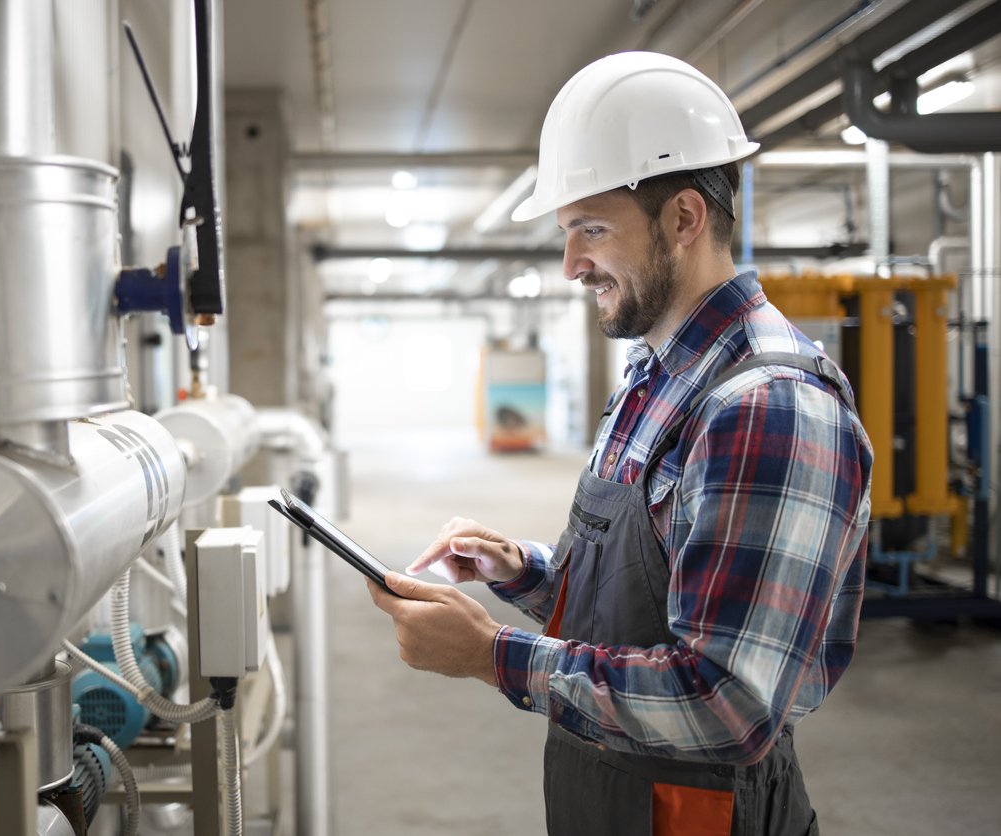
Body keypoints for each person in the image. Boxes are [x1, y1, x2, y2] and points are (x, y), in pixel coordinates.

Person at [365, 51, 872, 836]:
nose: (571, 266)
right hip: (610, 794)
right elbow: (643, 603)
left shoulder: (767, 407)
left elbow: (726, 705)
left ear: (683, 219)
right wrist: (523, 570)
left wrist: (490, 654)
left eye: (590, 230)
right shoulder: (652, 378)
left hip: (699, 812)